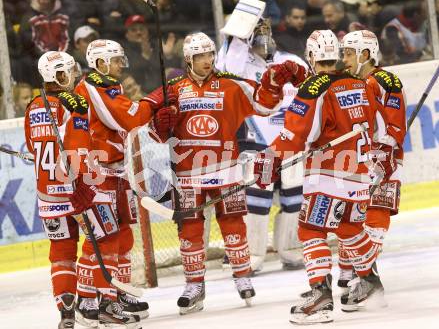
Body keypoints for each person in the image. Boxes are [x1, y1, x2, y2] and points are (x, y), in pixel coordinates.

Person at [151, 31, 301, 315]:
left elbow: (264, 105)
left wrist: (273, 81)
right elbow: (149, 127)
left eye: (209, 55)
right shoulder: (172, 88)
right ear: (188, 59)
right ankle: (194, 284)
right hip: (188, 174)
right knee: (190, 231)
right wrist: (160, 124)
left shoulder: (231, 85)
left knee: (234, 224)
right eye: (200, 56)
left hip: (226, 170)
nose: (207, 60)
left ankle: (242, 275)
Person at [254, 30, 386, 324]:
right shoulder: (359, 83)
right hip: (361, 173)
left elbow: (297, 135)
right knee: (349, 227)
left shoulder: (313, 87)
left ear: (312, 57)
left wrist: (269, 157)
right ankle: (371, 281)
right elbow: (378, 127)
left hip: (329, 174)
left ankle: (321, 296)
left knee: (310, 229)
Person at [75, 39, 176, 324]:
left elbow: (131, 123)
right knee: (102, 238)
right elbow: (130, 118)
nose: (122, 64)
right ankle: (91, 300)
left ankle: (114, 293)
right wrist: (153, 100)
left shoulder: (108, 87)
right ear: (100, 62)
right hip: (99, 175)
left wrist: (155, 116)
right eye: (116, 59)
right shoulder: (95, 86)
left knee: (122, 235)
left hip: (117, 172)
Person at [216, 18, 308, 273]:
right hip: (255, 141)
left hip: (291, 142)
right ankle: (252, 256)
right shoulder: (238, 63)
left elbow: (310, 96)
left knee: (295, 198)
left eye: (266, 29)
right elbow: (224, 71)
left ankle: (291, 251)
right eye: (256, 31)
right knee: (257, 201)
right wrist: (238, 34)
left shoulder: (292, 61)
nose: (262, 35)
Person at [24, 51, 100, 328]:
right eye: (68, 71)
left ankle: (66, 311)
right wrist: (84, 182)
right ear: (57, 75)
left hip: (48, 196)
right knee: (99, 242)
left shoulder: (32, 107)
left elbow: (33, 148)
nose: (74, 76)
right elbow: (81, 148)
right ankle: (94, 303)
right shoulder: (74, 104)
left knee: (61, 250)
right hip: (76, 191)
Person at [339, 30, 406, 289]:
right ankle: (349, 273)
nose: (343, 59)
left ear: (365, 54)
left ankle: (366, 278)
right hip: (358, 160)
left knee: (375, 217)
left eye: (348, 53)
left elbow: (395, 124)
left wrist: (385, 153)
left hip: (384, 159)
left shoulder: (385, 80)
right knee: (352, 218)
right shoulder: (350, 82)